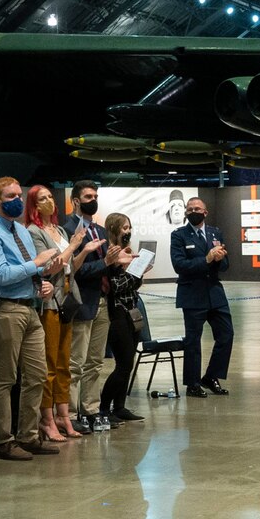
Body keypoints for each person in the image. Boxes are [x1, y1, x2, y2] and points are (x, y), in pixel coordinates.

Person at [0, 176, 64, 460]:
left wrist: (43, 281)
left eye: (18, 195)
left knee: (37, 374)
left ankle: (29, 435)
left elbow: (32, 271)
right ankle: (3, 441)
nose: (17, 200)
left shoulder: (22, 231)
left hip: (30, 305)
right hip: (4, 309)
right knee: (5, 378)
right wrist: (35, 264)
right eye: (10, 196)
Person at [26, 185, 82, 441]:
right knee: (48, 363)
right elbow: (47, 267)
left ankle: (64, 416)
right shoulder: (33, 232)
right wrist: (72, 247)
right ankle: (46, 420)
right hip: (49, 302)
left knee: (64, 363)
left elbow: (70, 266)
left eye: (50, 196)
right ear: (34, 205)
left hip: (67, 297)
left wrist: (84, 251)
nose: (49, 201)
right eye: (43, 198)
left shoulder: (58, 229)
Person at [61, 181, 112, 432]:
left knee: (95, 362)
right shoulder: (67, 229)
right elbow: (74, 272)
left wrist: (118, 262)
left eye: (96, 195)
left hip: (102, 301)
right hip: (81, 301)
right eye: (89, 196)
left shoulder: (101, 230)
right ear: (77, 201)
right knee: (75, 362)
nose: (94, 199)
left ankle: (91, 408)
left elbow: (105, 264)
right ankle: (69, 413)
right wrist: (105, 263)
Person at [171, 197, 232, 398]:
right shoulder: (179, 235)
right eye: (189, 209)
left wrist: (220, 259)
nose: (192, 211)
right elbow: (179, 265)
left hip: (215, 292)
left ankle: (212, 376)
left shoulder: (215, 233)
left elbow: (225, 266)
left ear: (205, 212)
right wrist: (206, 259)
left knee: (226, 335)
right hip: (192, 293)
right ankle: (193, 383)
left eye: (197, 208)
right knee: (193, 341)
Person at [99, 213, 148, 425]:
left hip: (131, 310)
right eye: (124, 228)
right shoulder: (110, 255)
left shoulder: (127, 251)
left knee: (129, 362)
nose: (127, 232)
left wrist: (138, 272)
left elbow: (134, 285)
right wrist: (133, 274)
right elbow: (116, 287)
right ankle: (103, 407)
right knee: (123, 363)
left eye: (129, 227)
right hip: (116, 313)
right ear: (114, 228)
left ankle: (119, 406)